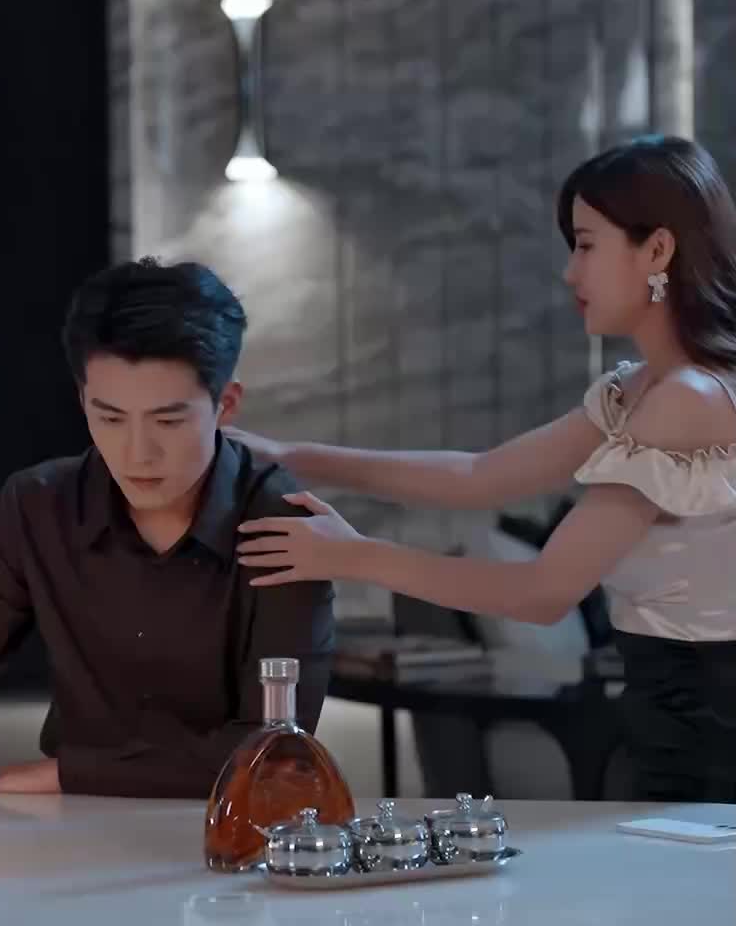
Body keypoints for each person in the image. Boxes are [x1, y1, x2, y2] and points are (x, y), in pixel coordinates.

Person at [234, 136, 736, 803]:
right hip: (668, 716)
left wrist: (352, 555)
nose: (570, 273)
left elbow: (544, 591)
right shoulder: (638, 390)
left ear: (657, 250)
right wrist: (293, 457)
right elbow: (480, 475)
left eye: (586, 245)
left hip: (711, 728)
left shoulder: (689, 400)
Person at [0, 257, 334, 798]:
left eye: (168, 420)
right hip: (73, 819)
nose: (137, 453)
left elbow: (275, 749)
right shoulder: (39, 505)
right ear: (82, 401)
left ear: (225, 404)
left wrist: (73, 773)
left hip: (229, 818)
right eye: (110, 418)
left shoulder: (283, 520)